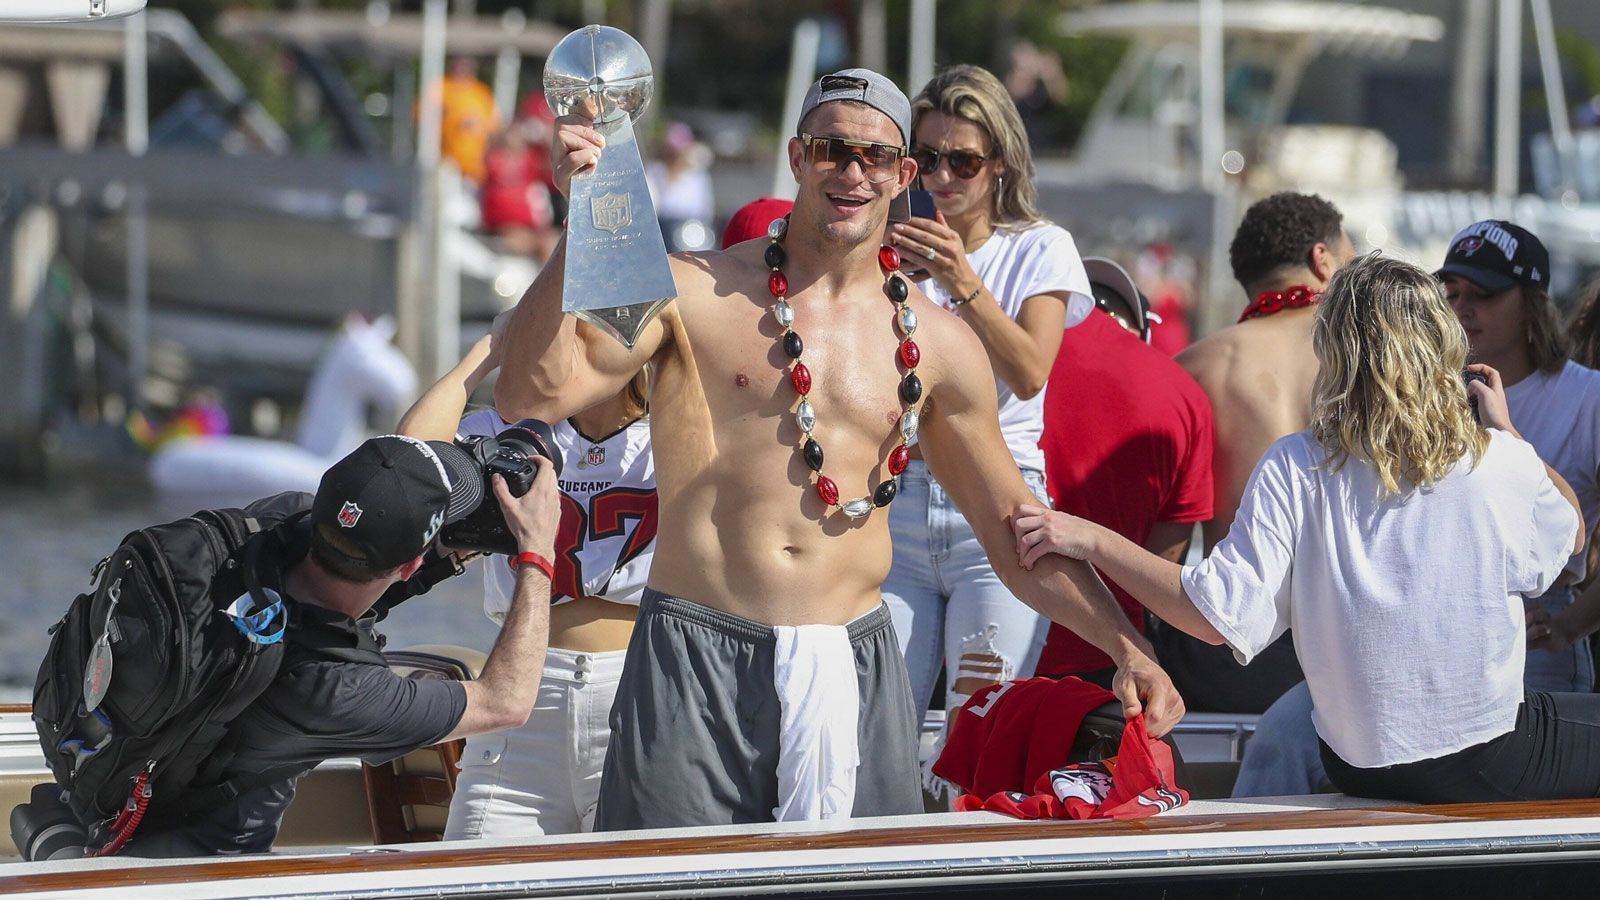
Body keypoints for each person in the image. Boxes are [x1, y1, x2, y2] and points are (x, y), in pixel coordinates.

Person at [494, 67, 1182, 830]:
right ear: (797, 158)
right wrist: (580, 221)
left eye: (875, 157)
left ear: (904, 174)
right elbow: (531, 391)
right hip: (695, 651)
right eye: (831, 150)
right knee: (673, 881)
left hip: (852, 660)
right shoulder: (694, 292)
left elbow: (1015, 529)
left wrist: (1126, 646)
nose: (852, 172)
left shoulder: (942, 345)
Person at [1015, 253, 1598, 805]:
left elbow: (1215, 617)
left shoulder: (1297, 463)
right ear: (1440, 347)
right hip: (1483, 757)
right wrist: (1509, 431)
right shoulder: (1492, 457)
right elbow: (1570, 536)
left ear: (1335, 352)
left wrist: (1091, 538)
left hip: (1356, 762)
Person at [131, 433, 561, 855]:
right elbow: (506, 701)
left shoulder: (270, 523)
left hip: (111, 790)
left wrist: (449, 553)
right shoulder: (337, 690)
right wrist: (536, 552)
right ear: (410, 564)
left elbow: (351, 577)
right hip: (208, 868)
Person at [882, 64, 1095, 723]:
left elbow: (1030, 369)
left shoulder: (1040, 246)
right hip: (900, 500)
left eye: (963, 161)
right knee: (881, 723)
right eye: (927, 157)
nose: (943, 178)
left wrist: (958, 277)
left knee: (979, 730)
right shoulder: (886, 249)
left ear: (999, 162)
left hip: (999, 508)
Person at [397, 336, 656, 838]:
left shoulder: (672, 431)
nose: (562, 348)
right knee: (472, 881)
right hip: (521, 697)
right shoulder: (512, 434)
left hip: (635, 692)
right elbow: (412, 458)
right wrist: (492, 348)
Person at [1162, 192, 1356, 715]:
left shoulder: (1192, 368)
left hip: (1236, 647)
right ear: (1323, 260)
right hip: (1353, 645)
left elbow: (1168, 543)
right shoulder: (1373, 360)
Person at [1034, 258, 1213, 689]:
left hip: (979, 634)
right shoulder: (1182, 393)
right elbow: (1164, 563)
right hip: (1111, 659)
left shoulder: (1001, 358)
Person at [1441, 221, 1600, 693]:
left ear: (1534, 303)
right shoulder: (1422, 392)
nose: (1462, 309)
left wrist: (1567, 627)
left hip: (1536, 620)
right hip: (1438, 619)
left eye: (1483, 294)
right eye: (1451, 293)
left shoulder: (1587, 397)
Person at [428, 56, 499, 185]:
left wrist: (476, 125)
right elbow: (424, 115)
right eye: (460, 67)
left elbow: (494, 126)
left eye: (467, 68)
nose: (463, 71)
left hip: (475, 167)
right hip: (446, 162)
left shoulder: (482, 92)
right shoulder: (441, 87)